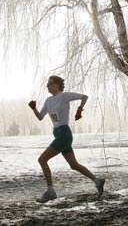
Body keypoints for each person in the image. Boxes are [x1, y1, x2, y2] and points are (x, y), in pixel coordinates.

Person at [28, 75, 105, 203]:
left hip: (64, 133)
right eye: (47, 85)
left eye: (50, 84)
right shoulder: (48, 101)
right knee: (74, 165)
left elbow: (84, 97)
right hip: (57, 134)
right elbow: (40, 117)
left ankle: (51, 191)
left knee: (42, 159)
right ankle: (98, 181)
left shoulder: (64, 96)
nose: (48, 86)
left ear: (57, 85)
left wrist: (79, 110)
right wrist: (34, 108)